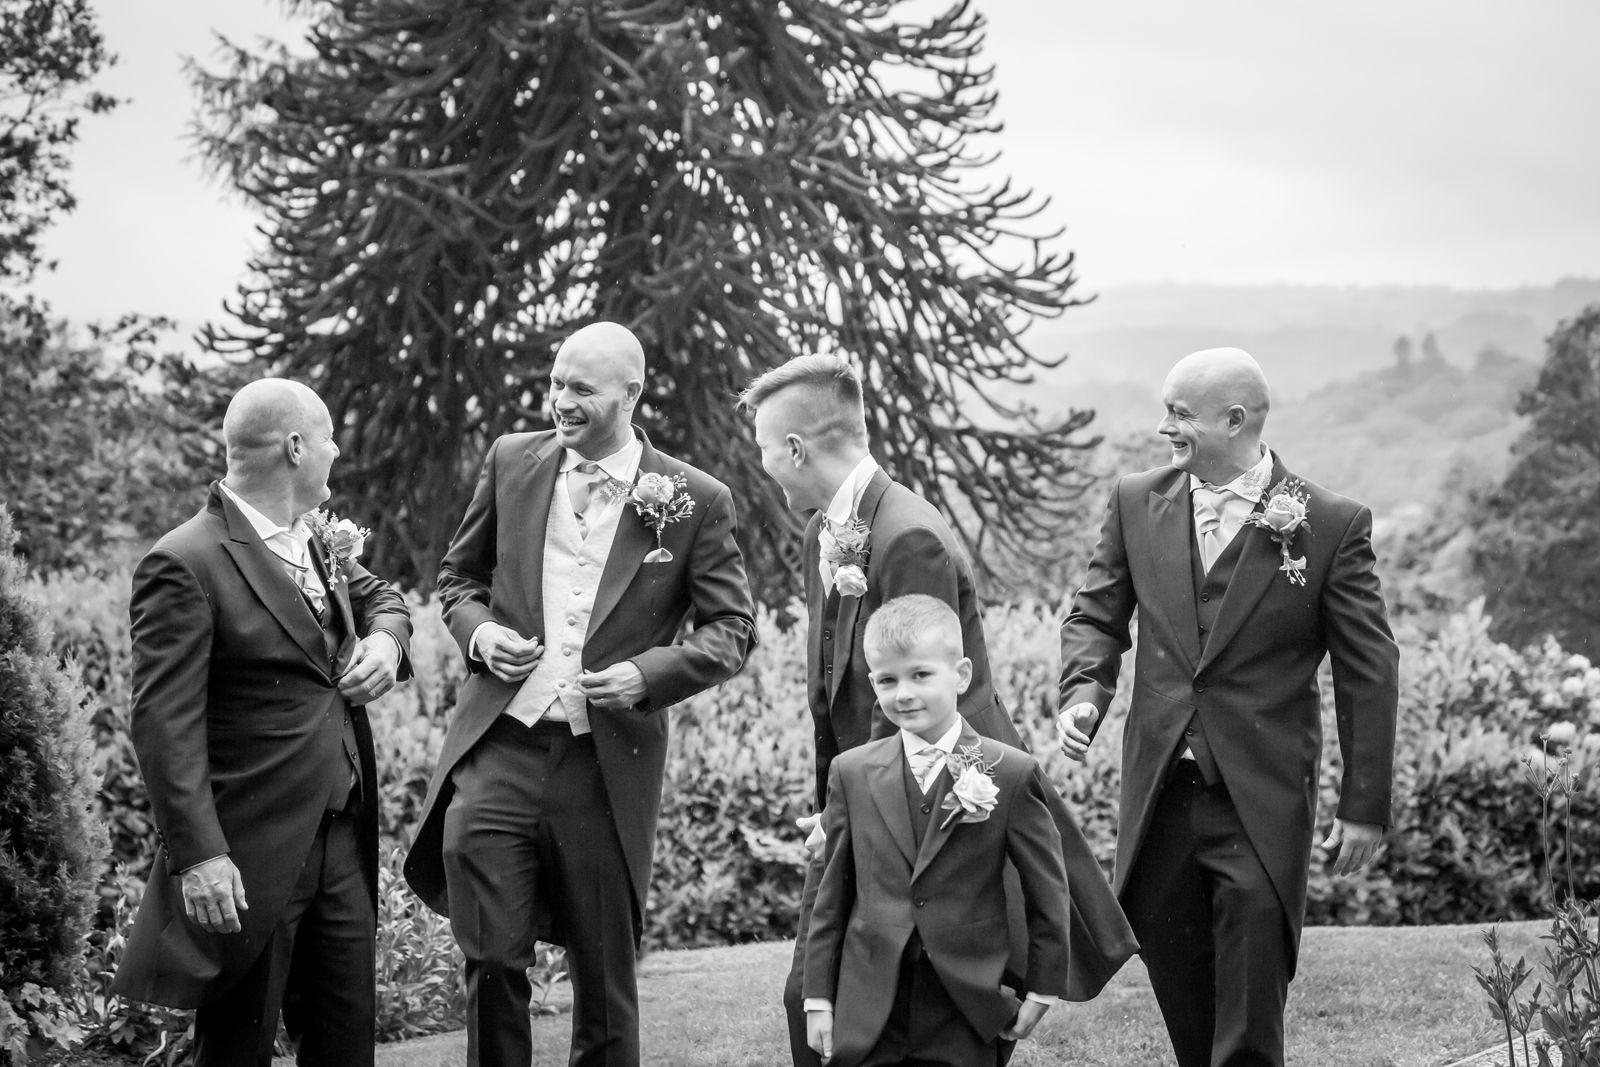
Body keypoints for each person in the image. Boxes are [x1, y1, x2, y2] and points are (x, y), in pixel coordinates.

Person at [739, 354, 1135, 1066]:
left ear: (794, 448)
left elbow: (915, 697)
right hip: (864, 789)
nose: (762, 463)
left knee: (927, 997)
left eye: (765, 447)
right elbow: (839, 685)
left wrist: (854, 805)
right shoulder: (824, 530)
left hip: (939, 805)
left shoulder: (907, 534)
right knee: (821, 998)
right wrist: (834, 797)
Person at [403, 322, 757, 1067]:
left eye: (581, 389)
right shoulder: (511, 460)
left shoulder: (696, 497)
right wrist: (479, 633)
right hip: (499, 746)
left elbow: (732, 629)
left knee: (603, 975)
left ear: (632, 394)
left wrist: (648, 674)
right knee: (491, 959)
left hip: (605, 766)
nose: (560, 400)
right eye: (556, 383)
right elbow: (458, 578)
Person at [1057, 347, 1399, 1067]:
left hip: (1260, 801)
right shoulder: (1134, 501)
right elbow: (1094, 615)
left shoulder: (1332, 524)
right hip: (1161, 797)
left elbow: (1368, 669)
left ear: (1235, 419)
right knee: (1183, 996)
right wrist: (1085, 690)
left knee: (1248, 1013)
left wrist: (1364, 803)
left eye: (1179, 414)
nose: (1163, 428)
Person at [113, 378, 412, 1067]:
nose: (338, 452)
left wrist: (386, 645)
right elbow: (163, 723)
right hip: (250, 853)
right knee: (237, 1052)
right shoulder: (185, 560)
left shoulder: (315, 540)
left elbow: (385, 600)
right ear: (296, 447)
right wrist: (200, 856)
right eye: (330, 437)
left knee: (346, 1048)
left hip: (342, 837)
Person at [804, 594, 1070, 1067]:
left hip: (966, 1004)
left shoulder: (1009, 772)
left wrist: (1043, 989)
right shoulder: (851, 772)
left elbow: (1047, 890)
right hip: (869, 1003)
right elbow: (832, 892)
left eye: (921, 675)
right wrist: (818, 997)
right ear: (873, 684)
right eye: (888, 680)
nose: (904, 693)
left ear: (961, 675)